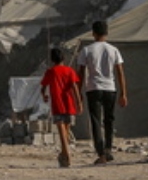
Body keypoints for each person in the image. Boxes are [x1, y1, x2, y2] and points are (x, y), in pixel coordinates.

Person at [76, 21, 128, 165]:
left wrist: (78, 92)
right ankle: (108, 149)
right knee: (109, 120)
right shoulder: (113, 50)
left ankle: (101, 152)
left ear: (93, 33)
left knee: (96, 121)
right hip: (110, 88)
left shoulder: (86, 50)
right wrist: (123, 93)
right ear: (106, 33)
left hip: (93, 88)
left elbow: (80, 73)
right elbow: (120, 73)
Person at [40, 47, 82, 168]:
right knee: (66, 131)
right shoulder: (69, 71)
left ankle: (66, 154)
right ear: (63, 58)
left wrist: (44, 96)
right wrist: (79, 103)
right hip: (69, 104)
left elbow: (43, 87)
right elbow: (74, 88)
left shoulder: (50, 72)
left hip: (58, 104)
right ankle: (63, 154)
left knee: (61, 132)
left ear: (52, 59)